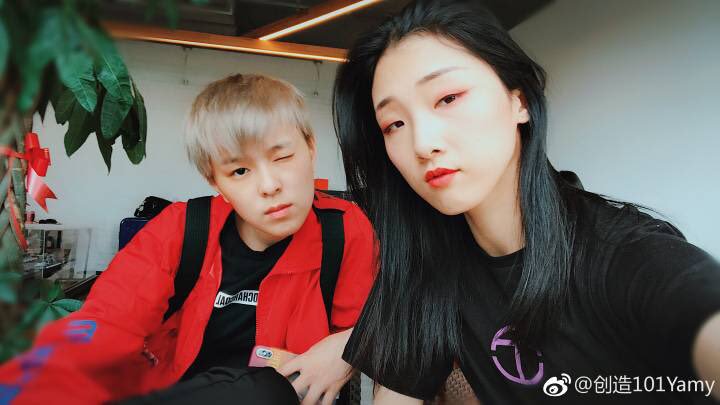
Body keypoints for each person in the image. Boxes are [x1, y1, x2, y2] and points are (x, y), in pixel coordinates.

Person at [332, 1, 720, 404]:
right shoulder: (427, 268)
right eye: (394, 123)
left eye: (448, 98)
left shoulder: (625, 257)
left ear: (519, 100)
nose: (422, 143)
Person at [0, 74, 376, 405]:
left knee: (267, 389)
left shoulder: (343, 232)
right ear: (216, 182)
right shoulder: (183, 229)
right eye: (240, 171)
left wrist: (347, 348)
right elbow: (108, 321)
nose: (269, 185)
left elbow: (374, 324)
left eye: (282, 157)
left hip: (274, 396)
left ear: (310, 148)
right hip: (177, 393)